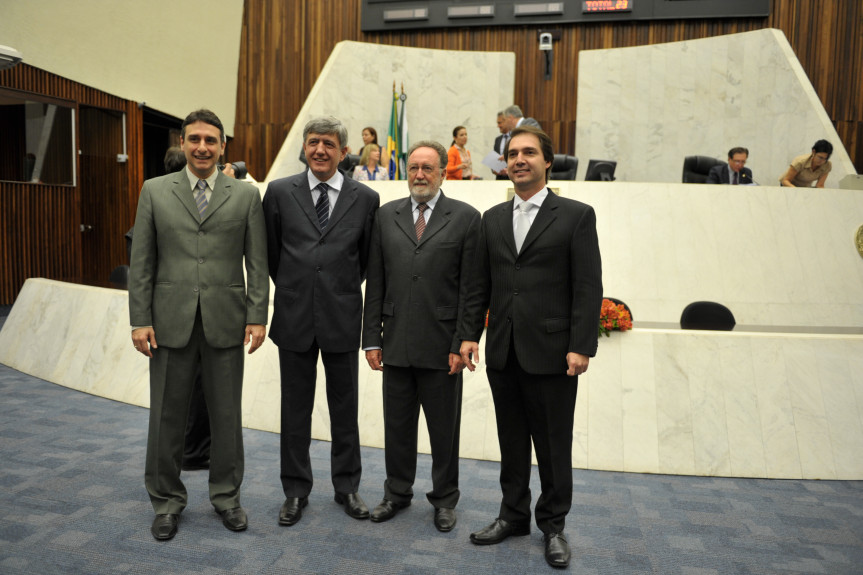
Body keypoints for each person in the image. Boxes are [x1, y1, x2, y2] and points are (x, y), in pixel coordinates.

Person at [459, 126, 602, 569]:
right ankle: (513, 515)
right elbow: (479, 284)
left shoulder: (576, 215)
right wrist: (469, 334)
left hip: (554, 354)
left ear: (547, 161)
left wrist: (581, 345)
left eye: (529, 152)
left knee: (553, 446)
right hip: (504, 351)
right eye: (512, 154)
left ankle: (553, 527)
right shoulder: (492, 218)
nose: (519, 160)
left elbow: (588, 286)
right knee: (512, 442)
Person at [128, 109, 269, 541]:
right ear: (182, 143)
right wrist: (140, 320)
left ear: (223, 146)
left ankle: (227, 497)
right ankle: (166, 502)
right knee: (166, 417)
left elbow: (257, 262)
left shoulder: (246, 196)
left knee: (226, 416)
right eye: (194, 139)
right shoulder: (154, 191)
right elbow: (142, 262)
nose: (202, 147)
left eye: (210, 140)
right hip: (169, 322)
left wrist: (257, 315)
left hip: (226, 321)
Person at [263, 116, 380, 527]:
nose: (320, 150)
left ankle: (347, 487)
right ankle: (296, 491)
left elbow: (365, 261)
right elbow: (272, 254)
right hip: (294, 315)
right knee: (294, 409)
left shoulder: (366, 198)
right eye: (313, 142)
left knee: (345, 409)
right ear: (304, 146)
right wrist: (299, 287)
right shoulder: (279, 192)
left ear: (344, 152)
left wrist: (335, 288)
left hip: (342, 316)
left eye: (329, 144)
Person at [362, 140, 480, 532]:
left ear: (443, 173)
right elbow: (376, 281)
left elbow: (471, 289)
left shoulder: (466, 218)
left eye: (428, 168)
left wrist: (462, 341)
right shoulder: (386, 216)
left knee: (444, 431)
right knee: (397, 427)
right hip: (395, 343)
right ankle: (396, 493)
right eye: (413, 167)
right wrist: (372, 338)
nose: (419, 175)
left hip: (443, 347)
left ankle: (444, 499)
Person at [493, 111, 511, 180]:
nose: (498, 126)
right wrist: (494, 169)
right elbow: (495, 158)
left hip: (512, 179)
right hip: (499, 179)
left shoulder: (515, 137)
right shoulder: (497, 140)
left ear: (506, 121)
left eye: (499, 123)